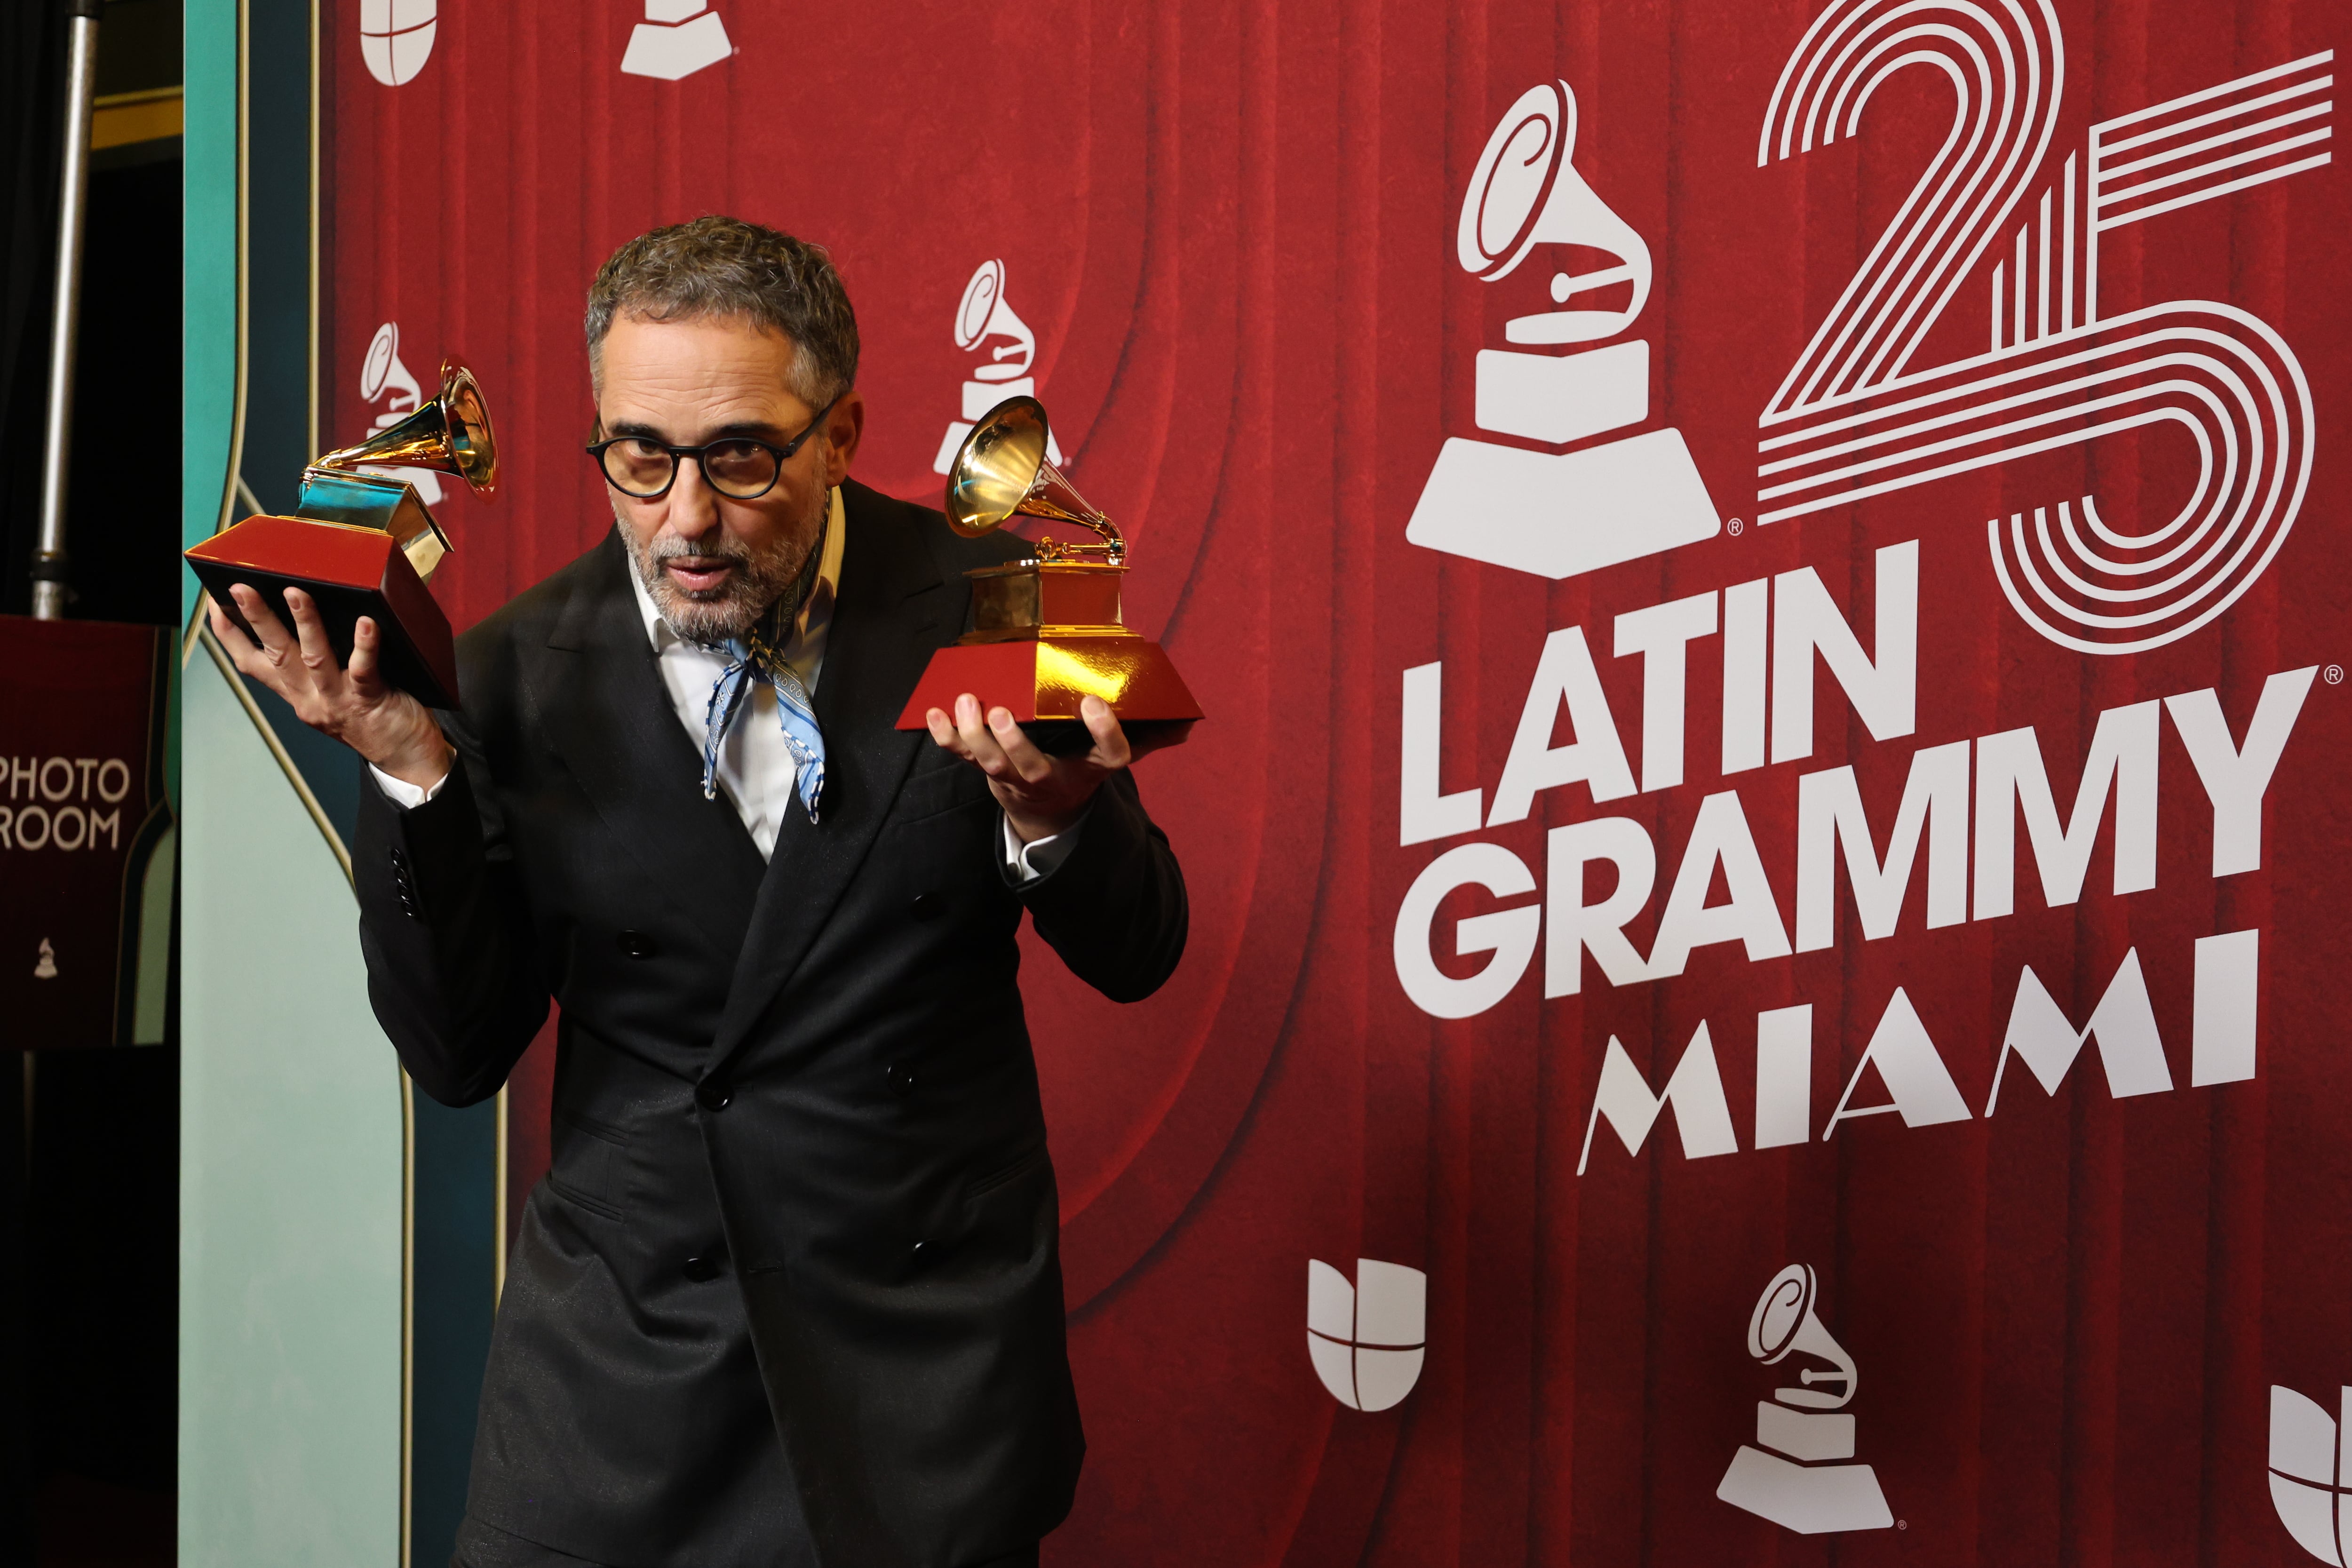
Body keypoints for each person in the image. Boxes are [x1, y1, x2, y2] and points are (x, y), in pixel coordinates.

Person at [204, 216, 1188, 1568]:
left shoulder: (992, 605)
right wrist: (412, 771)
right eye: (639, 459)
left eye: (739, 457)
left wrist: (1054, 816)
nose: (685, 519)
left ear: (841, 433)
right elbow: (456, 1053)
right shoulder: (502, 675)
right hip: (623, 1395)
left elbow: (1141, 951)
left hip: (917, 1393)